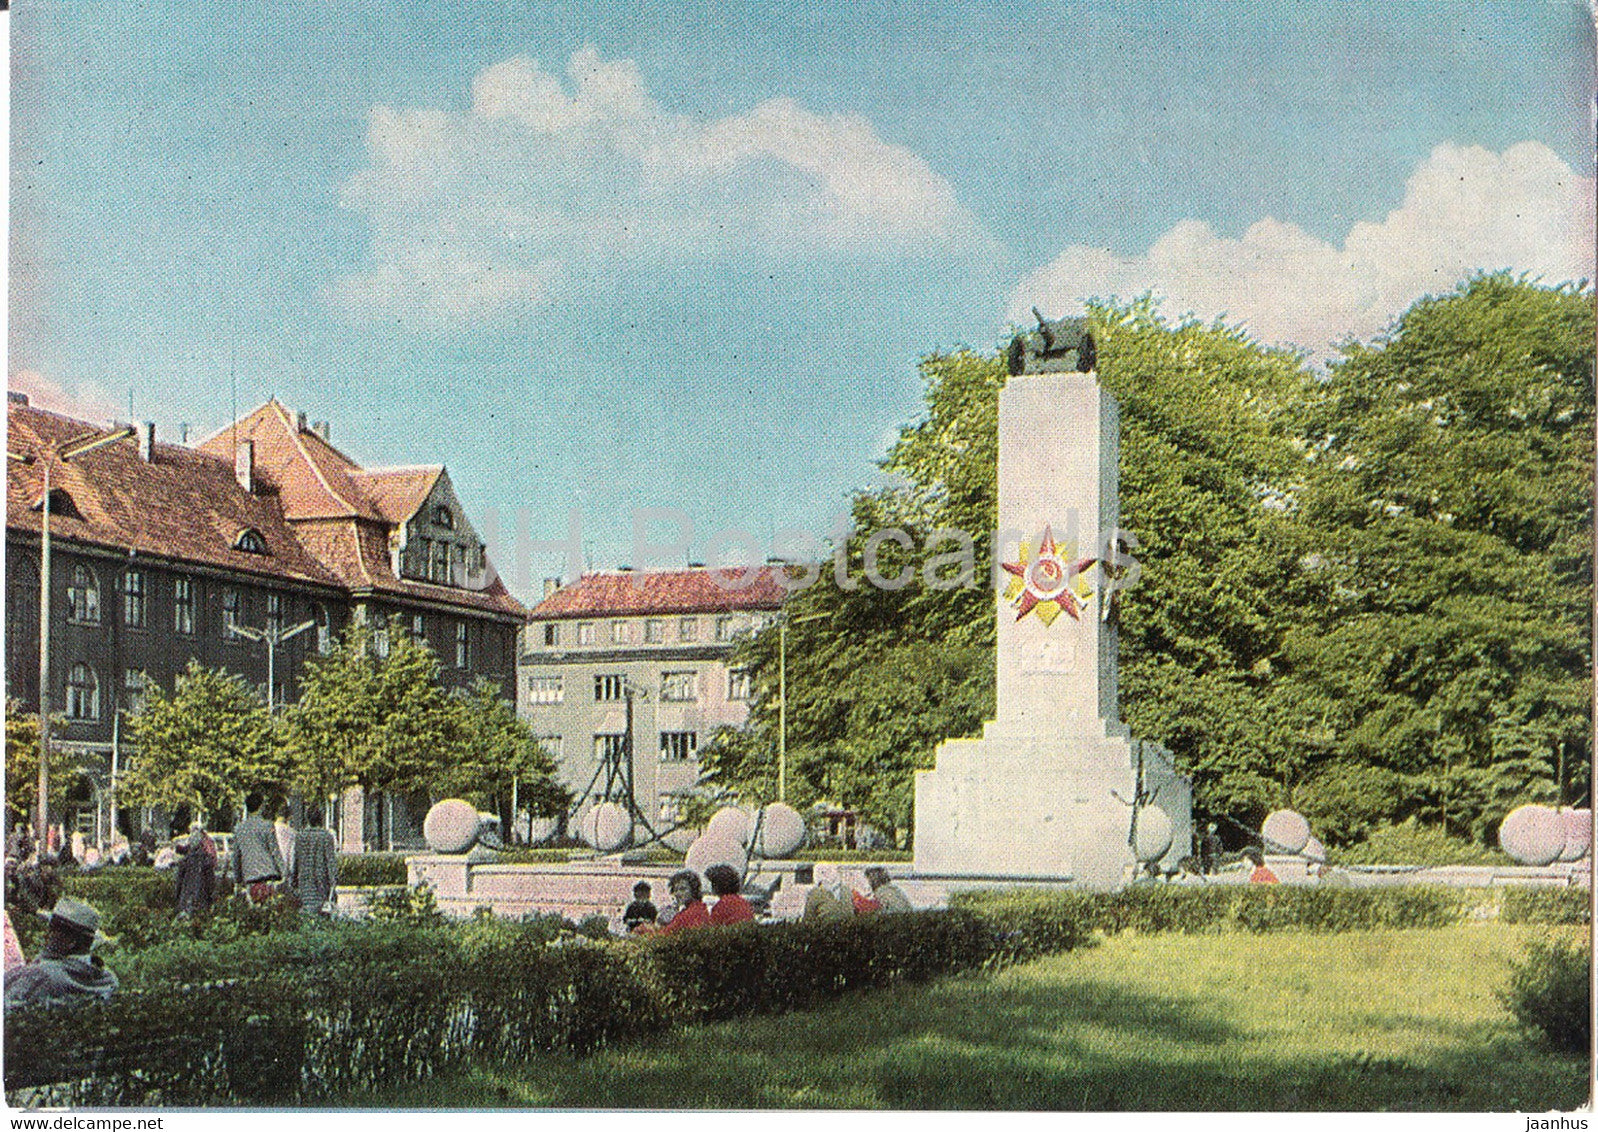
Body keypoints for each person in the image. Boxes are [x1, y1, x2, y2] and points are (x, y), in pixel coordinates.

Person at [4, 898, 118, 1010]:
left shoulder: (41, 976)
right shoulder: (108, 980)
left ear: (70, 942)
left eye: (52, 930)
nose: (46, 936)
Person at [229, 792, 286, 904]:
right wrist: (284, 872)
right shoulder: (267, 826)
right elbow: (274, 851)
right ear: (261, 806)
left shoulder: (239, 829)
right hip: (269, 876)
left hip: (250, 878)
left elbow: (236, 856)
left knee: (254, 913)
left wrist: (237, 879)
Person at [290, 805, 339, 918]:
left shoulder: (300, 837)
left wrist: (293, 881)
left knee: (306, 914)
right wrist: (333, 883)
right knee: (322, 915)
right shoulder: (326, 837)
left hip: (304, 882)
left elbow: (296, 861)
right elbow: (331, 863)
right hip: (322, 883)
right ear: (321, 819)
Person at [641, 871, 709, 935]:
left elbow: (663, 936)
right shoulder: (701, 908)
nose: (678, 894)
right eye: (676, 890)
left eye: (683, 889)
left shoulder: (688, 915)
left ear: (693, 890)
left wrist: (647, 929)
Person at [174, 823, 217, 916]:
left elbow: (178, 883)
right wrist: (211, 899)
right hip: (202, 901)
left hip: (185, 901)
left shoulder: (184, 861)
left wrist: (177, 899)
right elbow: (211, 884)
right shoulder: (206, 860)